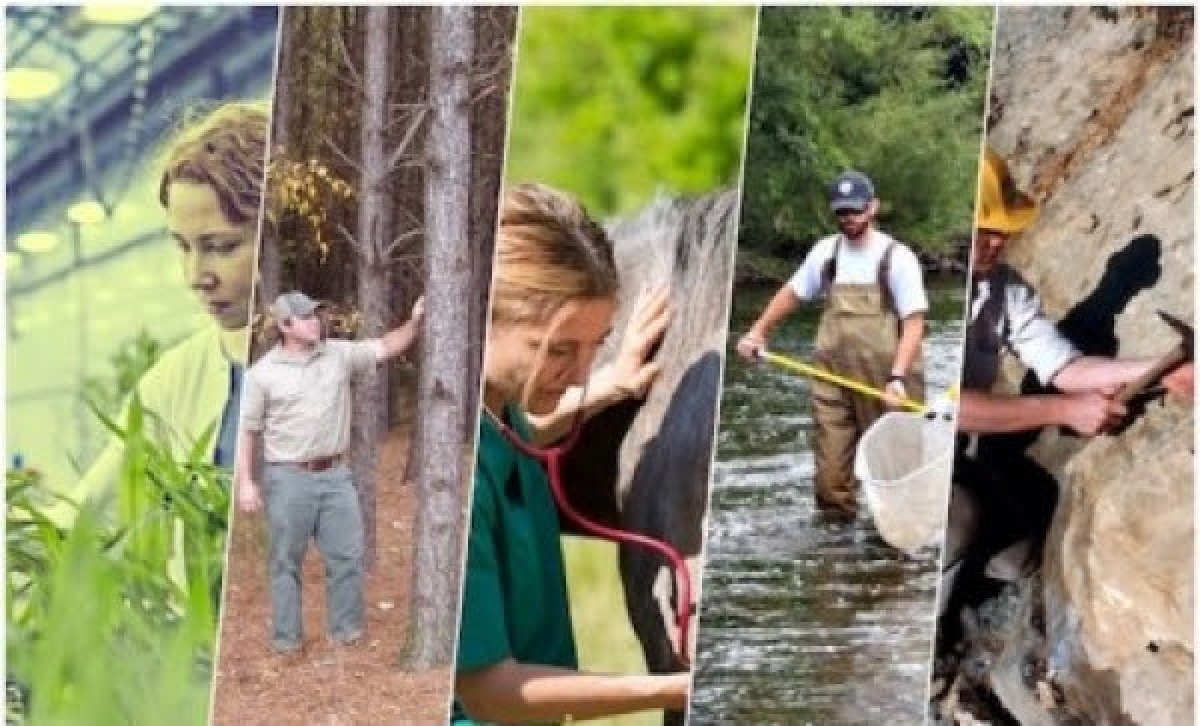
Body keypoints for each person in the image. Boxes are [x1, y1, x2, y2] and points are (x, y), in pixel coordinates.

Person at [452, 184, 689, 724]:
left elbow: (517, 440)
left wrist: (611, 382)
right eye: (561, 349)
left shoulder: (493, 402)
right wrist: (682, 686)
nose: (579, 373)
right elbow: (489, 692)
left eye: (595, 344)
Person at [938, 148, 1193, 635]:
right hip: (895, 465)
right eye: (981, 231)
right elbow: (950, 405)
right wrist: (1063, 410)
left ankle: (959, 590)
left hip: (952, 457)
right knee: (961, 518)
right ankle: (924, 640)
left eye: (1001, 231)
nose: (996, 242)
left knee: (1016, 559)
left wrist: (1164, 371)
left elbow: (1066, 368)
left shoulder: (1004, 290)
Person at [235, 290, 423, 655]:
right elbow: (247, 430)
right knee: (285, 561)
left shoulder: (338, 354)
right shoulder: (262, 375)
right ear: (285, 326)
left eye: (317, 315)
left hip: (336, 476)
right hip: (288, 478)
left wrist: (415, 323)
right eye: (306, 317)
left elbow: (385, 346)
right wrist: (246, 481)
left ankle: (346, 634)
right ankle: (287, 642)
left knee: (347, 556)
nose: (316, 322)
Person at [735, 170, 928, 514]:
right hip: (832, 378)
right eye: (841, 212)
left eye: (855, 210)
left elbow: (914, 325)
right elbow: (793, 293)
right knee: (829, 483)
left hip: (886, 385)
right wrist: (758, 331)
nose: (848, 218)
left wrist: (897, 377)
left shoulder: (898, 258)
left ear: (873, 208)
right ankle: (834, 548)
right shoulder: (826, 253)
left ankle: (897, 553)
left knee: (896, 478)